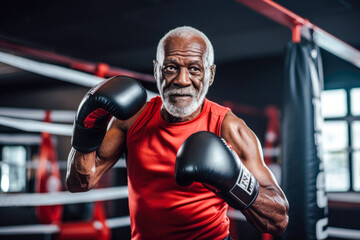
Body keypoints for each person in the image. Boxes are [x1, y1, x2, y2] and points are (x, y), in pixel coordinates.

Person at [66, 26, 289, 240]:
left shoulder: (229, 128)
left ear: (210, 75)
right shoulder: (132, 119)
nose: (182, 80)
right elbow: (79, 183)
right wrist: (86, 124)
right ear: (156, 70)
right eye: (171, 67)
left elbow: (278, 221)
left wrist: (234, 181)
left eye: (194, 69)